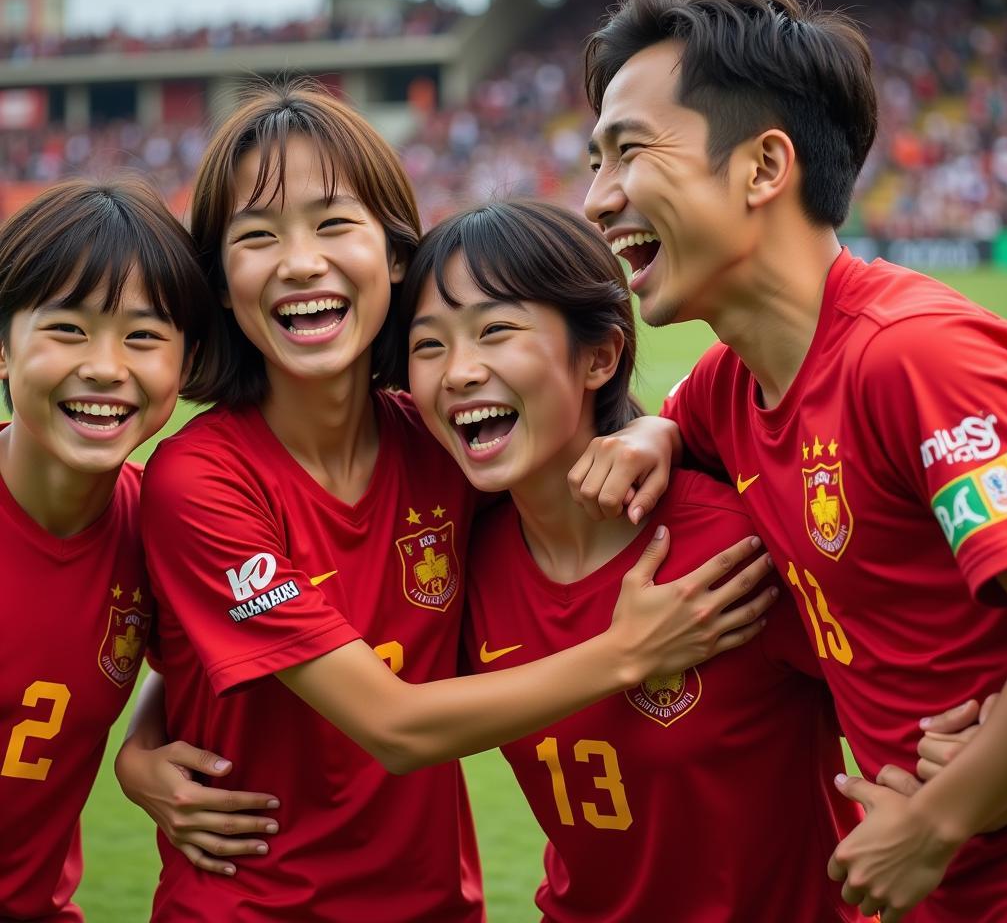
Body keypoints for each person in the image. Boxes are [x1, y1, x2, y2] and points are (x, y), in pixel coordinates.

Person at [114, 82, 776, 921]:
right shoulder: (200, 479)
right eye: (257, 237)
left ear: (394, 254)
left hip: (435, 906)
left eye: (333, 223)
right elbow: (382, 721)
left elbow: (594, 426)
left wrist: (662, 430)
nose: (300, 261)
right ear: (219, 283)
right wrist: (627, 652)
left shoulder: (444, 444)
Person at [573, 0, 1007, 922]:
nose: (597, 199)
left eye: (628, 153)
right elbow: (691, 414)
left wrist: (943, 816)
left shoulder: (916, 358)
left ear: (763, 166)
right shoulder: (734, 383)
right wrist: (654, 428)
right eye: (593, 161)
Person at [400, 198, 861, 922]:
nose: (458, 372)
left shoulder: (734, 542)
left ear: (600, 357)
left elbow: (914, 698)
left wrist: (922, 811)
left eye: (495, 331)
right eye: (429, 346)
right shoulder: (458, 567)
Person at [0, 179, 211, 922]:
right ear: (3, 347)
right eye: (66, 329)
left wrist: (139, 744)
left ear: (183, 368)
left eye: (144, 337)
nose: (105, 366)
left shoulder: (164, 524)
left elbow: (203, 647)